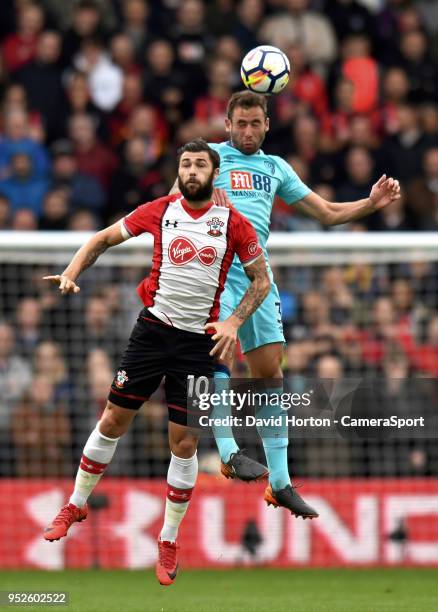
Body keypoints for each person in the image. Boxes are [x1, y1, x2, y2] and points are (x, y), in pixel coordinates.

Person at [42, 139, 272, 586]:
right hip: (152, 331)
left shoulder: (234, 223)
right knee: (111, 419)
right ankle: (76, 504)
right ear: (179, 171)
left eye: (199, 164)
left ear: (213, 172)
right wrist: (72, 271)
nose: (190, 170)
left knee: (184, 445)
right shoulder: (160, 209)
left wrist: (234, 322)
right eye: (184, 163)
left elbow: (262, 280)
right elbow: (102, 238)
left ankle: (167, 540)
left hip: (198, 347)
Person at [171, 91, 400, 515]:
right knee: (219, 356)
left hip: (259, 278)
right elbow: (172, 209)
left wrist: (371, 204)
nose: (247, 131)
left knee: (270, 373)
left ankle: (279, 482)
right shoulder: (208, 158)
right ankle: (226, 451)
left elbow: (328, 212)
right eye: (240, 123)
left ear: (267, 125)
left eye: (255, 123)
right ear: (226, 124)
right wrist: (201, 203)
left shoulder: (275, 168)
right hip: (215, 274)